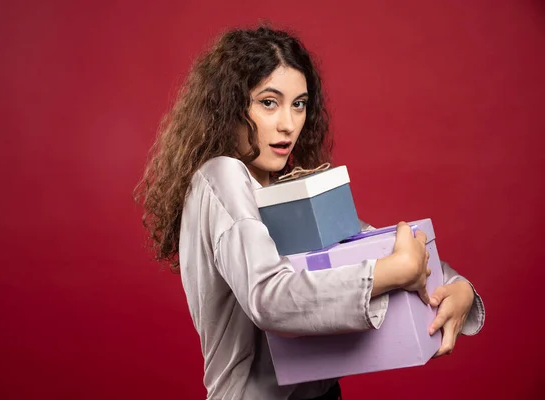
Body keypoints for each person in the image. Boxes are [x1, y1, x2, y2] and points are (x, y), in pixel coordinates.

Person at [134, 25, 485, 400]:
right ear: (228, 105)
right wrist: (389, 273)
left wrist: (456, 288)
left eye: (298, 104)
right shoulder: (222, 175)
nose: (288, 124)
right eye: (269, 102)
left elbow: (365, 245)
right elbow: (268, 297)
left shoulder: (281, 186)